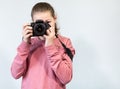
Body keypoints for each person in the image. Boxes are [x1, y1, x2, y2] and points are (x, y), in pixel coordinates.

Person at [11, 2, 75, 89]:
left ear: (54, 19)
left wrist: (50, 45)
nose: (43, 26)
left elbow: (66, 78)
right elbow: (15, 74)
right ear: (32, 23)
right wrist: (25, 43)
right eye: (39, 22)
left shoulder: (65, 42)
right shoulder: (29, 44)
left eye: (48, 22)